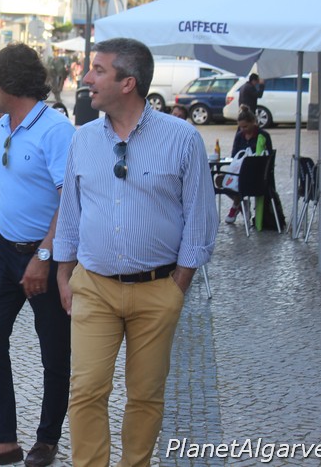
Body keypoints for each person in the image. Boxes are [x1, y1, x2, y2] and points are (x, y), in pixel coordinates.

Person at [53, 38, 218, 467]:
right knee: (86, 390)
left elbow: (201, 218)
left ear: (128, 83)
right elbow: (70, 212)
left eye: (99, 70)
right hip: (94, 286)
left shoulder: (182, 139)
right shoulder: (83, 139)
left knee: (146, 395)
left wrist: (177, 286)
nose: (87, 78)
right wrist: (63, 274)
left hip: (158, 288)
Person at [0, 43, 74, 467]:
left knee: (55, 352)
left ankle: (47, 439)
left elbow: (71, 201)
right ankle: (4, 442)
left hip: (45, 258)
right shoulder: (4, 125)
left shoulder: (56, 130)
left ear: (12, 83)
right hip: (4, 252)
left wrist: (44, 256)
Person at [223, 105, 274, 224]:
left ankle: (236, 207)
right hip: (239, 172)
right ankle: (241, 203)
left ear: (253, 122)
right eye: (240, 127)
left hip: (256, 175)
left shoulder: (263, 136)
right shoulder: (239, 136)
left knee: (238, 183)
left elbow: (268, 157)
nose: (243, 129)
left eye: (245, 126)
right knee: (221, 181)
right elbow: (234, 155)